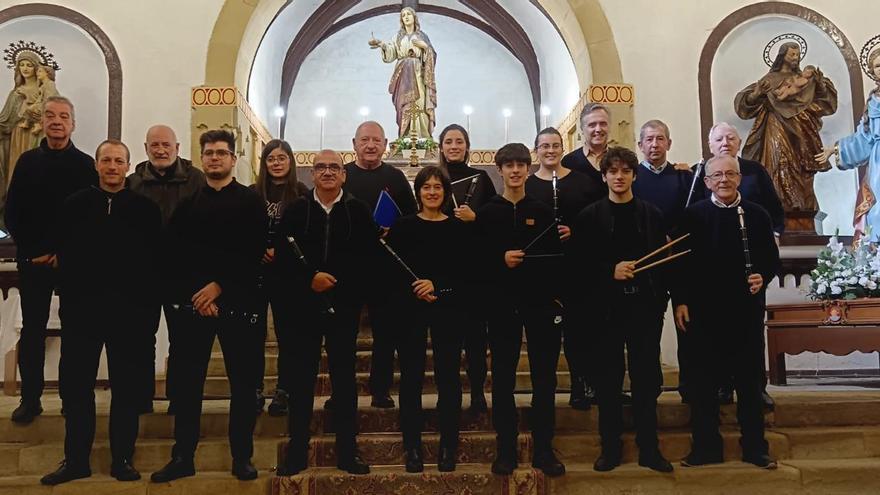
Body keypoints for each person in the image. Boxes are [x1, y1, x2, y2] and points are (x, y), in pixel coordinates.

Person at [40, 140, 161, 485]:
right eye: (105, 160)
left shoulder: (145, 209)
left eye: (118, 161)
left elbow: (154, 266)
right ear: (96, 165)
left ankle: (122, 459)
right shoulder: (74, 206)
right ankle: (76, 459)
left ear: (127, 166)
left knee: (125, 390)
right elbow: (62, 257)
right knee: (77, 390)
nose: (112, 166)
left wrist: (146, 314)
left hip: (129, 316)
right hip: (82, 314)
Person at [150, 130, 267, 482]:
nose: (215, 158)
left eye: (221, 153)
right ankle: (182, 456)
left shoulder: (251, 203)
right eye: (209, 153)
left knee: (244, 386)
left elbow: (252, 254)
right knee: (188, 387)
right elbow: (175, 256)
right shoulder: (187, 204)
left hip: (238, 304)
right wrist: (198, 295)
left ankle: (241, 456)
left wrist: (220, 288)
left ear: (233, 159)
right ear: (202, 159)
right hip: (195, 307)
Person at [674, 155, 780, 470]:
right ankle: (706, 448)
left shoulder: (758, 216)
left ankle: (755, 448)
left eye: (730, 174)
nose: (724, 179)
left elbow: (771, 260)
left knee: (749, 382)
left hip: (744, 311)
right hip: (703, 312)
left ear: (739, 178)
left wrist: (763, 275)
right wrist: (680, 300)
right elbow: (679, 265)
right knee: (703, 384)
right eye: (717, 174)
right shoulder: (692, 216)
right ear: (706, 181)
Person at [572, 146, 673, 473]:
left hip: (643, 309)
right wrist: (609, 271)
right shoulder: (589, 217)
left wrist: (659, 301)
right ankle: (610, 448)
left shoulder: (651, 214)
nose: (618, 177)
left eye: (624, 172)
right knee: (608, 381)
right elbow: (578, 266)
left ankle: (650, 449)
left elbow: (661, 264)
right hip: (605, 311)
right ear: (604, 177)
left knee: (646, 381)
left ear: (633, 175)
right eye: (612, 172)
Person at [275, 150, 373, 476]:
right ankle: (297, 452)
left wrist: (340, 285)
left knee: (344, 382)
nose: (328, 172)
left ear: (344, 175)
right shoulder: (296, 210)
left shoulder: (357, 211)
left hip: (343, 308)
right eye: (321, 167)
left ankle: (348, 451)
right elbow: (284, 259)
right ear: (312, 174)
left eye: (334, 167)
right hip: (304, 308)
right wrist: (309, 280)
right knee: (302, 381)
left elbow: (367, 258)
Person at [4, 96, 96, 424]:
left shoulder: (86, 166)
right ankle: (31, 399)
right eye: (51, 116)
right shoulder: (27, 162)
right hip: (34, 261)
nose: (57, 121)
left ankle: (72, 398)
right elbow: (12, 213)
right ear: (43, 121)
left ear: (73, 123)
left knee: (75, 333)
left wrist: (64, 253)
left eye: (64, 116)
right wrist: (33, 251)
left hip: (73, 265)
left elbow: (91, 219)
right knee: (32, 332)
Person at [476, 143, 565, 477]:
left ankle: (544, 449)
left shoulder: (542, 211)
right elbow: (475, 263)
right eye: (508, 165)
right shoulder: (486, 213)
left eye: (520, 165)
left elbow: (556, 260)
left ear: (528, 169)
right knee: (502, 380)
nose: (514, 170)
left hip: (539, 306)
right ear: (498, 170)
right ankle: (506, 449)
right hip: (501, 307)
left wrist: (556, 298)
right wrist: (500, 260)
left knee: (545, 380)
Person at [384, 166, 472, 472]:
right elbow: (393, 275)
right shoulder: (404, 227)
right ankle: (413, 449)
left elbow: (467, 275)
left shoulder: (459, 229)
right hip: (411, 310)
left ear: (446, 193)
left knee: (449, 380)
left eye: (437, 187)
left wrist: (438, 286)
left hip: (448, 309)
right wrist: (416, 290)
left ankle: (448, 446)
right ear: (418, 192)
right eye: (426, 187)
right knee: (411, 380)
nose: (432, 192)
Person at [691, 122, 783, 409]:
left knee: (752, 337)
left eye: (731, 137)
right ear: (710, 144)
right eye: (719, 138)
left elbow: (774, 213)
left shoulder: (756, 171)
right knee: (716, 336)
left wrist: (769, 248)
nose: (725, 142)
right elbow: (692, 215)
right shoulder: (700, 172)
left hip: (750, 265)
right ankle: (722, 385)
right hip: (714, 269)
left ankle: (756, 388)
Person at [126, 124, 205, 415]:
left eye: (166, 145)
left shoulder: (196, 180)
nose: (161, 150)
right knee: (140, 339)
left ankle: (179, 399)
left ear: (177, 148)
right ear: (146, 149)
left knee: (182, 341)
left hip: (183, 276)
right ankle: (141, 398)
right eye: (155, 145)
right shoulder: (132, 182)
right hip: (142, 276)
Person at [525, 127, 601, 410]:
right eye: (544, 146)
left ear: (563, 148)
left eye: (556, 145)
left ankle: (580, 385)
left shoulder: (583, 182)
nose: (551, 150)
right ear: (537, 150)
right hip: (543, 272)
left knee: (579, 330)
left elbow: (596, 221)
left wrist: (575, 233)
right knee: (544, 338)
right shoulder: (529, 186)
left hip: (576, 268)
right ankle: (543, 391)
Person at [343, 121, 417, 409]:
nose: (370, 145)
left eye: (376, 140)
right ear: (354, 143)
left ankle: (380, 389)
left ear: (386, 145)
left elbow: (411, 217)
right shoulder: (342, 174)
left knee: (384, 335)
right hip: (349, 267)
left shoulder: (396, 177)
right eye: (365, 140)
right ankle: (342, 393)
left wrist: (394, 229)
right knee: (344, 337)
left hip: (385, 270)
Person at [734, 41, 837, 211]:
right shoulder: (770, 80)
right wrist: (756, 94)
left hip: (803, 129)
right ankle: (780, 205)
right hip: (776, 125)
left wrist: (820, 84)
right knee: (778, 161)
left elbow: (827, 103)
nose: (796, 58)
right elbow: (744, 106)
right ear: (782, 56)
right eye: (792, 54)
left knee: (802, 166)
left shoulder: (807, 80)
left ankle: (803, 207)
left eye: (798, 55)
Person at [437, 123, 495, 414]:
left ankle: (477, 392)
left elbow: (495, 220)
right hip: (446, 269)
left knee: (475, 337)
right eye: (449, 141)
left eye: (459, 141)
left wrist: (476, 217)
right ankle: (449, 394)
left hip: (475, 271)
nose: (454, 146)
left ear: (467, 146)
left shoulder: (482, 178)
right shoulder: (436, 179)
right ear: (441, 147)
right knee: (447, 339)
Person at [251, 139, 308, 417]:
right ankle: (255, 388)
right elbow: (243, 229)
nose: (276, 163)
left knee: (288, 335)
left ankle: (284, 390)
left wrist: (280, 251)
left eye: (281, 158)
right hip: (257, 272)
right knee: (254, 335)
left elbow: (306, 233)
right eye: (271, 158)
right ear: (264, 163)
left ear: (290, 162)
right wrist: (259, 248)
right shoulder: (252, 194)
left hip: (288, 274)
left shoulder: (300, 193)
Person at [815, 46, 880, 242]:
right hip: (879, 163)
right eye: (877, 65)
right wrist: (835, 149)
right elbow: (864, 138)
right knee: (877, 211)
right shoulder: (873, 101)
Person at [368, 7, 437, 138]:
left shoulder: (422, 36)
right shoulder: (397, 37)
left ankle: (423, 136)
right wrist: (381, 44)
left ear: (414, 17)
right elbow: (391, 54)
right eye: (403, 15)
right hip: (403, 74)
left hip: (419, 75)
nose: (406, 17)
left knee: (419, 103)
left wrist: (425, 47)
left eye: (408, 14)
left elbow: (432, 56)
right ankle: (405, 135)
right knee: (404, 105)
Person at [633, 120, 693, 235]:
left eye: (660, 139)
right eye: (649, 139)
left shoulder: (683, 176)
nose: (655, 145)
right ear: (640, 145)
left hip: (676, 244)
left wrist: (672, 236)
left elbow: (691, 214)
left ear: (669, 144)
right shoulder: (631, 177)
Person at [560, 102, 611, 204]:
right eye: (592, 125)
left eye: (603, 124)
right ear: (582, 129)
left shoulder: (620, 159)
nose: (598, 129)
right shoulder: (569, 162)